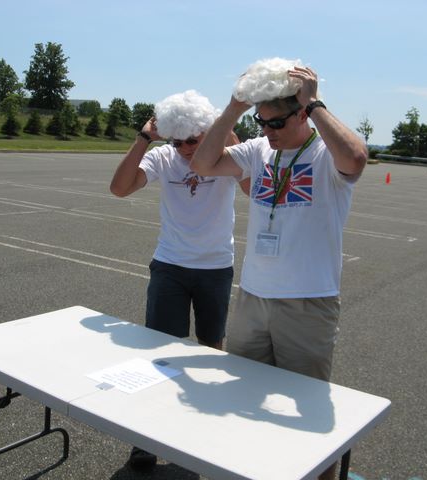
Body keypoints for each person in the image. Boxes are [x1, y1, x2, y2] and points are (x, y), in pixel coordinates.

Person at [191, 64, 367, 480]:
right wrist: (234, 108)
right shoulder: (258, 150)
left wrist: (315, 101)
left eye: (277, 122)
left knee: (310, 413)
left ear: (303, 113)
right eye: (262, 121)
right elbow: (203, 164)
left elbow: (356, 158)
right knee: (241, 398)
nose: (268, 131)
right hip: (253, 298)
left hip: (307, 301)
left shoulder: (326, 154)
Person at [109, 90, 240, 470]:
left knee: (210, 348)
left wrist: (225, 133)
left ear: (206, 131)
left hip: (215, 266)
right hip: (170, 265)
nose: (184, 149)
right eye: (177, 140)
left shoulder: (226, 156)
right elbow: (120, 188)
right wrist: (144, 138)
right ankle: (145, 439)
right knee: (159, 352)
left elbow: (250, 184)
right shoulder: (164, 157)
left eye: (192, 140)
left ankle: (203, 428)